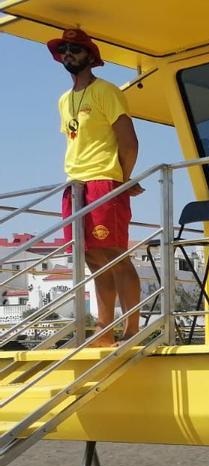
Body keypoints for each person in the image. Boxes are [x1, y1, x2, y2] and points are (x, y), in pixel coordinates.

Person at [49, 28, 143, 347]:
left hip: (104, 180)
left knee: (114, 253)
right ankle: (105, 331)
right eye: (64, 49)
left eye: (75, 49)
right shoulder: (64, 100)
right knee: (91, 258)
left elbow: (129, 143)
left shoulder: (107, 91)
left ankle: (132, 327)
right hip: (75, 185)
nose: (68, 54)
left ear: (90, 55)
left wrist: (121, 180)